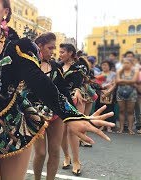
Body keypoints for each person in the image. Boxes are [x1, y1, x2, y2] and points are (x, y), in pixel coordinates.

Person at [0, 1, 114, 179]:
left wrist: (70, 115)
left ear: (5, 12)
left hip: (12, 127)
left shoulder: (16, 48)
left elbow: (40, 82)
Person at [32, 32, 73, 180]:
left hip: (56, 114)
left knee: (55, 151)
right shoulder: (29, 66)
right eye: (50, 47)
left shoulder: (55, 67)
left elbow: (64, 91)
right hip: (36, 115)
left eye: (54, 48)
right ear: (39, 46)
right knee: (41, 152)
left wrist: (73, 114)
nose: (53, 51)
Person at [59, 43, 90, 176]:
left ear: (71, 53)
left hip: (75, 100)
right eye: (59, 52)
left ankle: (77, 161)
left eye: (62, 52)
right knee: (61, 132)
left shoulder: (79, 67)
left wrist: (77, 90)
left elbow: (79, 82)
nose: (60, 54)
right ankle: (67, 156)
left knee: (73, 131)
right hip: (59, 101)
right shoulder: (57, 66)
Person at [116, 57, 138, 134]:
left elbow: (134, 81)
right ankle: (121, 128)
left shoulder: (135, 71)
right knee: (121, 110)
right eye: (124, 63)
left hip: (132, 93)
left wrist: (123, 81)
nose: (125, 64)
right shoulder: (119, 71)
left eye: (127, 63)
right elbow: (117, 81)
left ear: (131, 64)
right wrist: (129, 82)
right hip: (120, 92)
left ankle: (130, 128)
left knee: (130, 111)